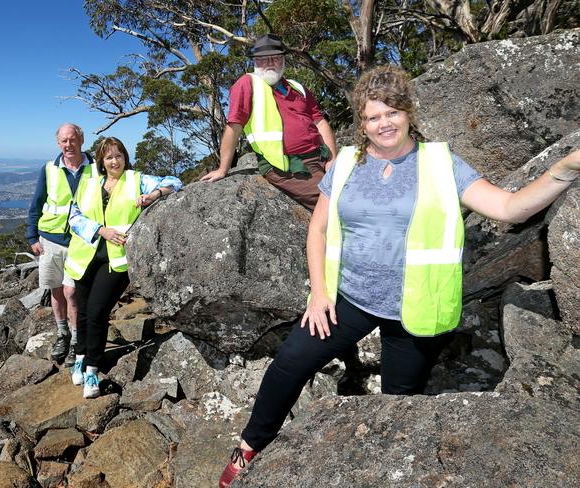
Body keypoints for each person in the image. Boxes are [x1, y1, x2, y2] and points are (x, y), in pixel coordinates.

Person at [218, 65, 580, 486]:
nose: (383, 123)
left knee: (398, 405)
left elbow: (509, 208)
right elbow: (318, 229)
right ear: (362, 123)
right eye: (372, 117)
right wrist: (319, 291)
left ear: (409, 112)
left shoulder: (441, 163)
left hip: (417, 308)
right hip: (347, 298)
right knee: (288, 364)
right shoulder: (346, 165)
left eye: (391, 112)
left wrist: (568, 167)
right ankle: (249, 447)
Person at [65, 137, 182, 399]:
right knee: (83, 312)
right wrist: (100, 230)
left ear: (125, 157)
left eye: (118, 155)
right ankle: (81, 358)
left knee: (97, 312)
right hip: (85, 254)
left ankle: (93, 369)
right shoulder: (89, 183)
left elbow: (174, 182)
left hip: (117, 259)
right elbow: (74, 216)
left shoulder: (136, 179)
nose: (115, 161)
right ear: (101, 162)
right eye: (109, 157)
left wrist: (154, 194)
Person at [200, 33, 338, 211]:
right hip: (287, 166)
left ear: (283, 60)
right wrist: (223, 169)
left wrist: (332, 160)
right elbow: (234, 126)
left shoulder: (298, 87)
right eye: (262, 59)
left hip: (320, 157)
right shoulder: (247, 84)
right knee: (336, 205)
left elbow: (320, 122)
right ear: (255, 62)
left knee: (362, 191)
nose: (269, 63)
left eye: (275, 58)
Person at [27, 123, 96, 367]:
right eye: (64, 141)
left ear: (82, 140)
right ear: (58, 143)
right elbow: (36, 203)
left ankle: (77, 340)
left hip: (80, 243)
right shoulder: (49, 169)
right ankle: (62, 334)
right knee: (56, 290)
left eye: (73, 139)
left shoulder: (96, 169)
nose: (69, 144)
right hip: (50, 240)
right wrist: (32, 237)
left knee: (72, 292)